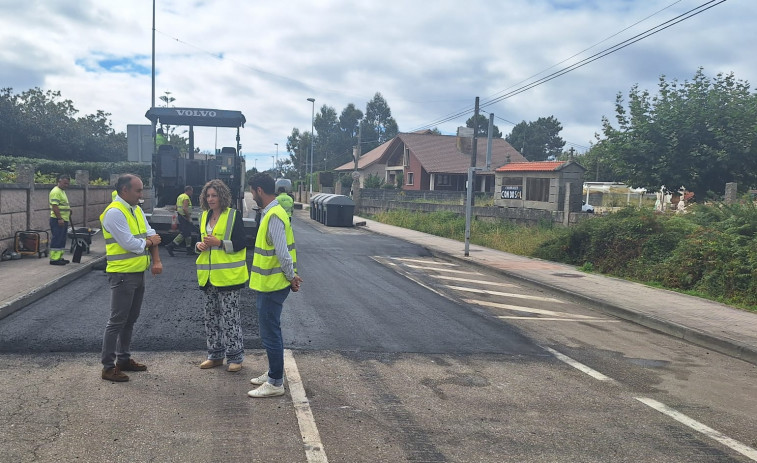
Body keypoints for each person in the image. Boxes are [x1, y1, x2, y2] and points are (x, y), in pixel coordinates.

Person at [99, 174, 163, 382]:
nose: (141, 194)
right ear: (124, 191)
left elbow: (150, 232)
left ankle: (124, 359)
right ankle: (108, 367)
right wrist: (150, 241)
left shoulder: (134, 209)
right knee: (116, 322)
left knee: (130, 320)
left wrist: (153, 251)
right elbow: (131, 244)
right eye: (138, 190)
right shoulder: (114, 213)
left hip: (136, 272)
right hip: (122, 275)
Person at [247, 173, 302, 398]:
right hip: (269, 283)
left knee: (270, 332)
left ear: (259, 190)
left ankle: (275, 381)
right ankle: (273, 371)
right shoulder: (271, 213)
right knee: (269, 330)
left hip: (273, 284)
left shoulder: (274, 216)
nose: (251, 196)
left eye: (252, 191)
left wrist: (291, 277)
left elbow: (283, 253)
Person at [195, 179, 249, 372]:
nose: (210, 199)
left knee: (230, 318)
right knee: (211, 317)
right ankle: (215, 355)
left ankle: (235, 358)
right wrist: (198, 245)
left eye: (214, 195)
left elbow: (242, 242)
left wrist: (219, 243)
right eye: (208, 195)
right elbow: (200, 240)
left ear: (222, 196)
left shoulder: (234, 215)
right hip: (208, 277)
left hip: (229, 277)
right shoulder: (203, 216)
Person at [166, 185, 197, 256]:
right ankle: (171, 246)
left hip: (180, 216)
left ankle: (189, 249)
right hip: (185, 217)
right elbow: (185, 208)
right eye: (191, 191)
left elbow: (176, 207)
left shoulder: (180, 196)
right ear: (188, 190)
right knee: (184, 233)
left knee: (188, 233)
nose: (192, 193)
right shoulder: (186, 197)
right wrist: (188, 217)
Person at [48, 174, 71, 265]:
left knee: (62, 239)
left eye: (68, 184)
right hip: (57, 220)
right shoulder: (56, 191)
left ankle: (59, 257)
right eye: (65, 183)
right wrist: (59, 218)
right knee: (57, 238)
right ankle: (54, 259)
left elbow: (62, 204)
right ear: (59, 181)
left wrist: (69, 209)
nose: (66, 185)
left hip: (63, 219)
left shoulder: (62, 191)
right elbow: (55, 206)